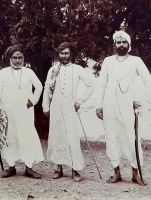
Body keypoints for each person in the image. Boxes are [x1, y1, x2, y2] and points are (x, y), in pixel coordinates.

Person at [96, 30, 151, 186]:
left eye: (124, 42)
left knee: (130, 137)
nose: (121, 45)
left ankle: (135, 173)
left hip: (127, 106)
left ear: (129, 45)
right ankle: (116, 172)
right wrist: (98, 105)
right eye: (118, 42)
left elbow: (148, 81)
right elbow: (101, 83)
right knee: (112, 137)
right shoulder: (108, 61)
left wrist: (139, 100)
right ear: (114, 45)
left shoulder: (136, 61)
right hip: (109, 105)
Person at [42, 42, 94, 182]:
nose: (64, 56)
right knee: (57, 136)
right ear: (58, 54)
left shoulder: (78, 69)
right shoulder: (53, 70)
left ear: (71, 54)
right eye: (61, 53)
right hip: (56, 107)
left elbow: (91, 85)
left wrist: (79, 102)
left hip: (70, 107)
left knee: (72, 137)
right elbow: (47, 89)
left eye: (66, 53)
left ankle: (75, 169)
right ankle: (58, 167)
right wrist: (45, 107)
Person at [0, 44, 44, 179]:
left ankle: (29, 168)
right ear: (9, 58)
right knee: (10, 137)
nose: (17, 60)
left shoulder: (28, 72)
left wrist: (33, 100)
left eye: (20, 57)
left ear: (23, 58)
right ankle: (11, 166)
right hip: (8, 111)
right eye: (14, 58)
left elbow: (39, 86)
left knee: (27, 137)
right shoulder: (3, 73)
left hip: (25, 110)